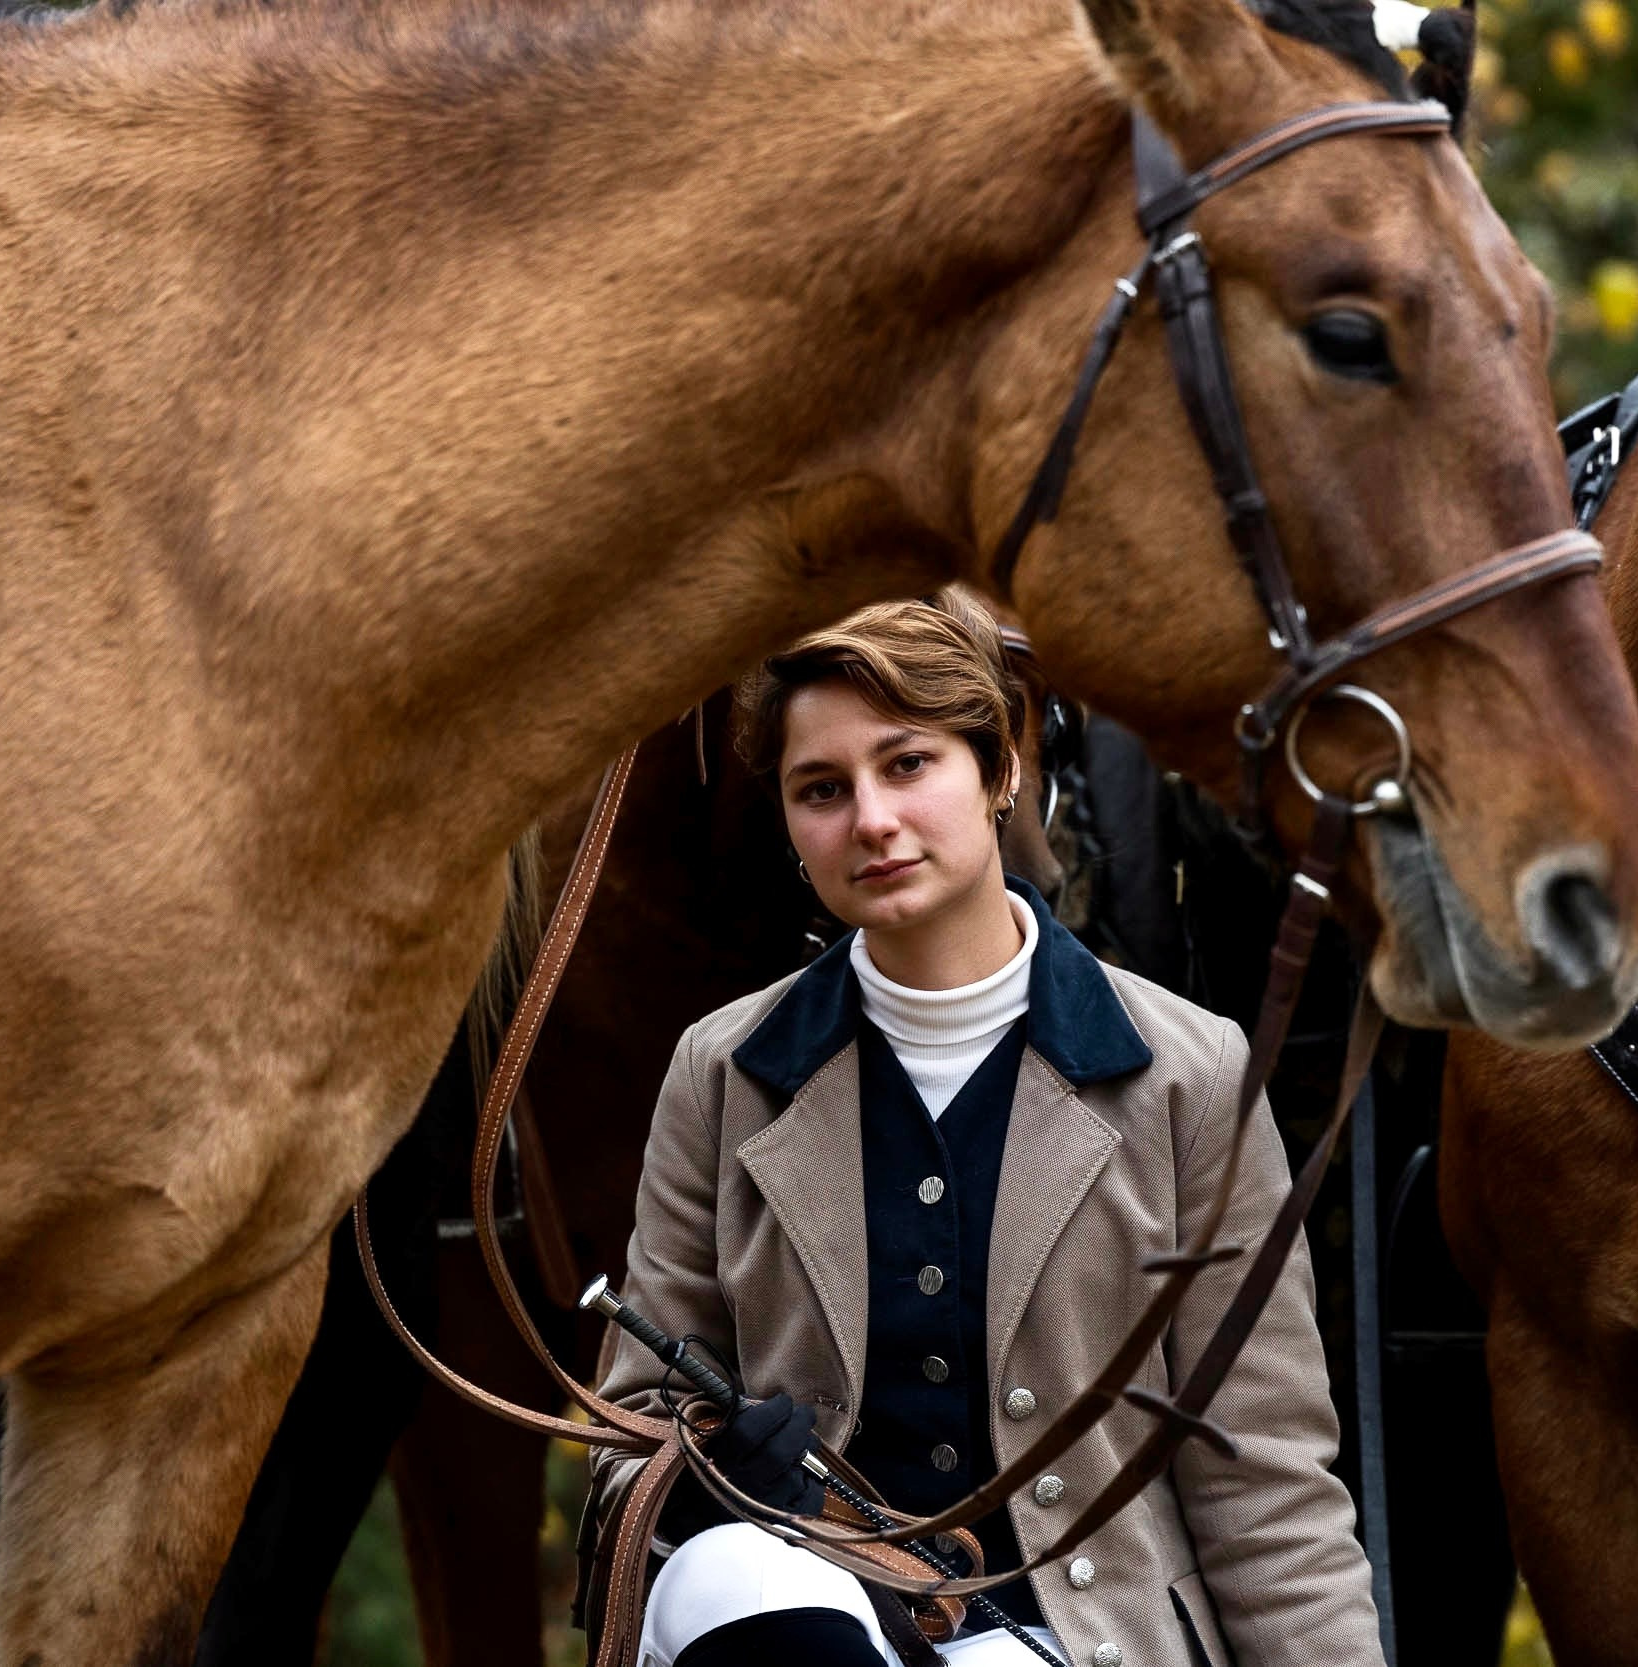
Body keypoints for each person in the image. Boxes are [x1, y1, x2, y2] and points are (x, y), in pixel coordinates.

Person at [587, 595, 1383, 1667]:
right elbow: (628, 1438)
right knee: (738, 1572)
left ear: (1001, 766)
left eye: (907, 763)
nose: (870, 818)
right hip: (792, 1623)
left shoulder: (1194, 1078)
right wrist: (707, 1475)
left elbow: (1267, 1490)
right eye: (821, 788)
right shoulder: (720, 1071)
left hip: (1072, 1644)